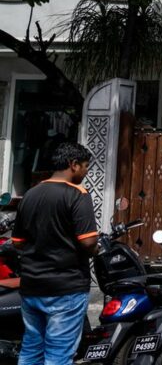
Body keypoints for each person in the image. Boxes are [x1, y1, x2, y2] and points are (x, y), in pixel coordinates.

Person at [11, 142, 97, 365]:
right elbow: (88, 241)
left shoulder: (30, 194)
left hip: (32, 286)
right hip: (65, 287)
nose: (86, 172)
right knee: (58, 355)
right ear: (73, 165)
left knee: (31, 350)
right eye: (86, 166)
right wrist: (96, 247)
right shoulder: (78, 194)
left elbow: (18, 242)